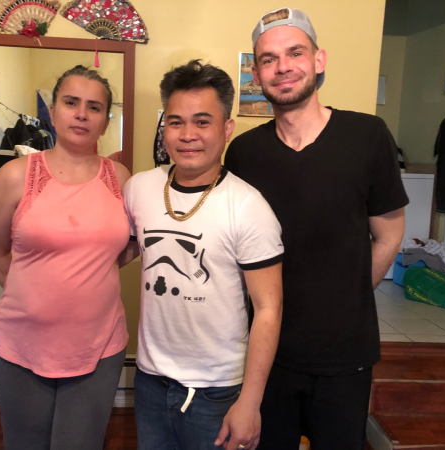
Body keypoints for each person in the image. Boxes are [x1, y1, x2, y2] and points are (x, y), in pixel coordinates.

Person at [224, 8, 408, 449]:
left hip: (344, 355)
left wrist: (347, 298)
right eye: (268, 59)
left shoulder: (367, 135)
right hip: (268, 356)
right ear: (256, 73)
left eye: (295, 53)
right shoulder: (244, 153)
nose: (283, 67)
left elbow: (389, 234)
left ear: (318, 59)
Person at [120, 60, 283, 450]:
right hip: (150, 380)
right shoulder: (139, 188)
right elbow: (116, 253)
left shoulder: (248, 206)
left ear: (226, 128)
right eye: (175, 122)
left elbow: (268, 308)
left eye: (202, 122)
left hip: (217, 390)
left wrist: (251, 403)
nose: (188, 135)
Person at [0, 65, 131, 450]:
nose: (81, 114)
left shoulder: (121, 179)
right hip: (21, 346)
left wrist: (88, 275)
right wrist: (31, 298)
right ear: (52, 110)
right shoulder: (15, 176)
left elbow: (128, 246)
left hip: (99, 345)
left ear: (105, 121)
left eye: (94, 107)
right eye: (71, 102)